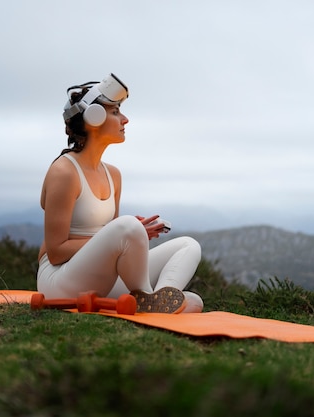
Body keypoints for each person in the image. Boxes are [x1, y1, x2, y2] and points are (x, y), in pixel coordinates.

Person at [36, 73, 203, 313]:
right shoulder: (64, 171)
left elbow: (112, 242)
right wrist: (127, 233)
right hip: (59, 281)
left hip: (100, 278)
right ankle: (147, 296)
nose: (125, 119)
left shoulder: (113, 174)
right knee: (128, 226)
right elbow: (56, 251)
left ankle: (156, 301)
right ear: (94, 118)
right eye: (115, 112)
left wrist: (133, 236)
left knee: (188, 247)